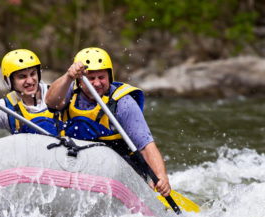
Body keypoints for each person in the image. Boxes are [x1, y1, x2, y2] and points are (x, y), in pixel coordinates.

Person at [45, 47, 172, 197]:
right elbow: (51, 102)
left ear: (110, 76)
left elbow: (145, 145)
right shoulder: (69, 91)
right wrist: (68, 76)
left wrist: (161, 176)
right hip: (78, 167)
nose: (97, 83)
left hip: (119, 173)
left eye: (101, 77)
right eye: (91, 78)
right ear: (80, 80)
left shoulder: (123, 103)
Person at [0, 49, 61, 138]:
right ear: (9, 81)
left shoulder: (59, 94)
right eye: (22, 77)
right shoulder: (4, 108)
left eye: (32, 74)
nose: (30, 81)